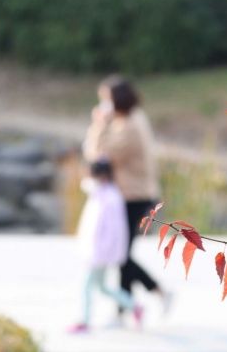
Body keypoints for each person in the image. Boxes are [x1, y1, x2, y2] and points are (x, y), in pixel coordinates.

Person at [82, 76, 171, 311]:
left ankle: (156, 293)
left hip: (134, 198)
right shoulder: (132, 119)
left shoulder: (128, 127)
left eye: (104, 99)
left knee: (120, 255)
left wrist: (99, 124)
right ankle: (128, 307)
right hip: (136, 195)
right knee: (122, 255)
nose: (102, 104)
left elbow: (98, 156)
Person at [68, 158, 144, 333]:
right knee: (102, 287)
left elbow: (112, 230)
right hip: (95, 250)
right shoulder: (100, 194)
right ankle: (134, 306)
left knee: (87, 285)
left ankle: (84, 321)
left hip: (100, 252)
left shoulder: (110, 197)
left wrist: (103, 251)